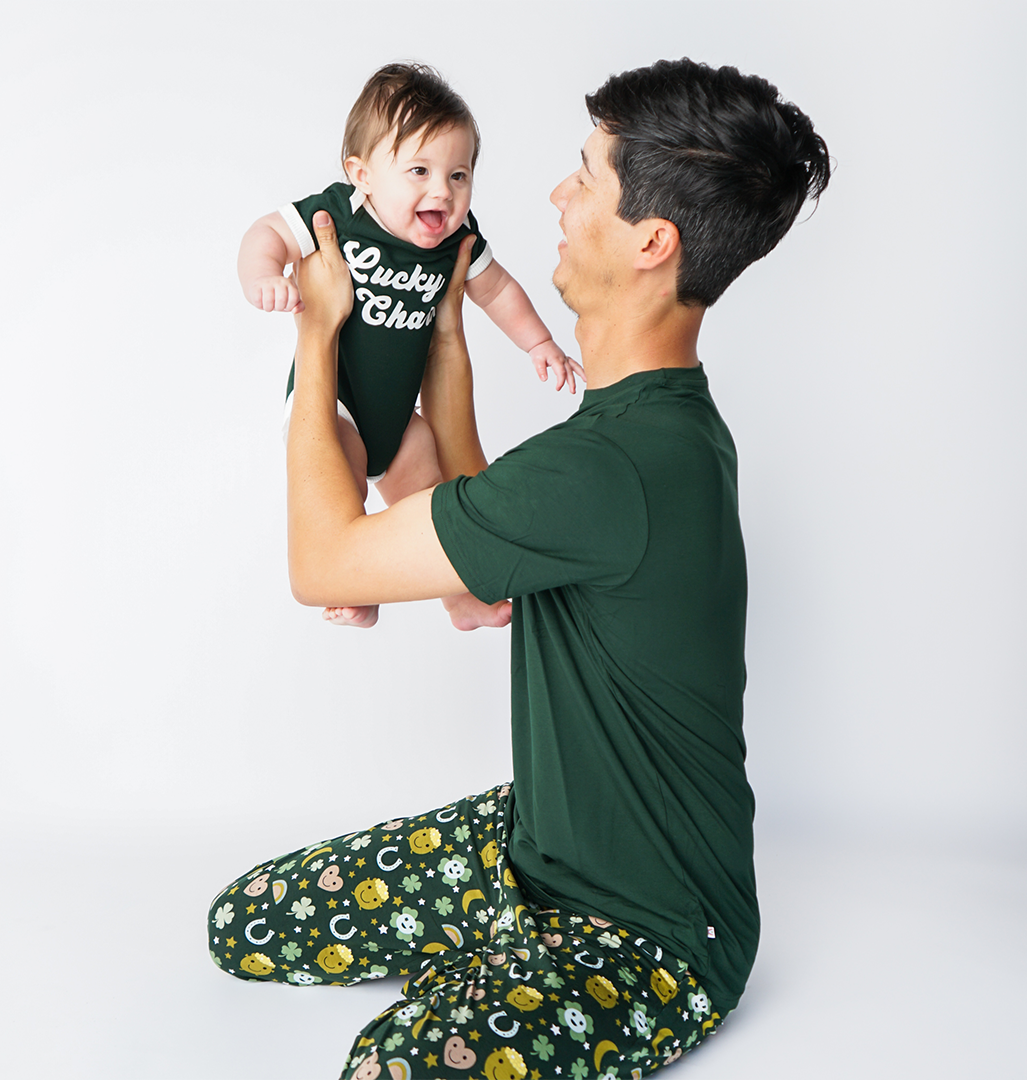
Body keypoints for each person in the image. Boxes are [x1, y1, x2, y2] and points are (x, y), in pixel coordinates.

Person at [210, 58, 830, 1079]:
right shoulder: (642, 427)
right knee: (245, 923)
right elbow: (487, 563)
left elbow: (324, 565)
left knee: (389, 1068)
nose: (552, 194)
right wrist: (449, 335)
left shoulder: (611, 466)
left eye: (584, 175)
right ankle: (498, 949)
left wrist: (321, 332)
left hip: (656, 930)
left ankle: (506, 970)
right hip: (536, 842)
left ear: (652, 241)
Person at [237, 63, 581, 630]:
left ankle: (461, 599)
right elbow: (266, 233)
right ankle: (354, 579)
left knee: (432, 495)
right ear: (363, 174)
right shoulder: (340, 214)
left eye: (459, 175)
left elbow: (496, 289)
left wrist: (539, 342)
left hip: (399, 418)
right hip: (334, 406)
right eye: (418, 170)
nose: (441, 192)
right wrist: (265, 276)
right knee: (343, 485)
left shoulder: (456, 239)